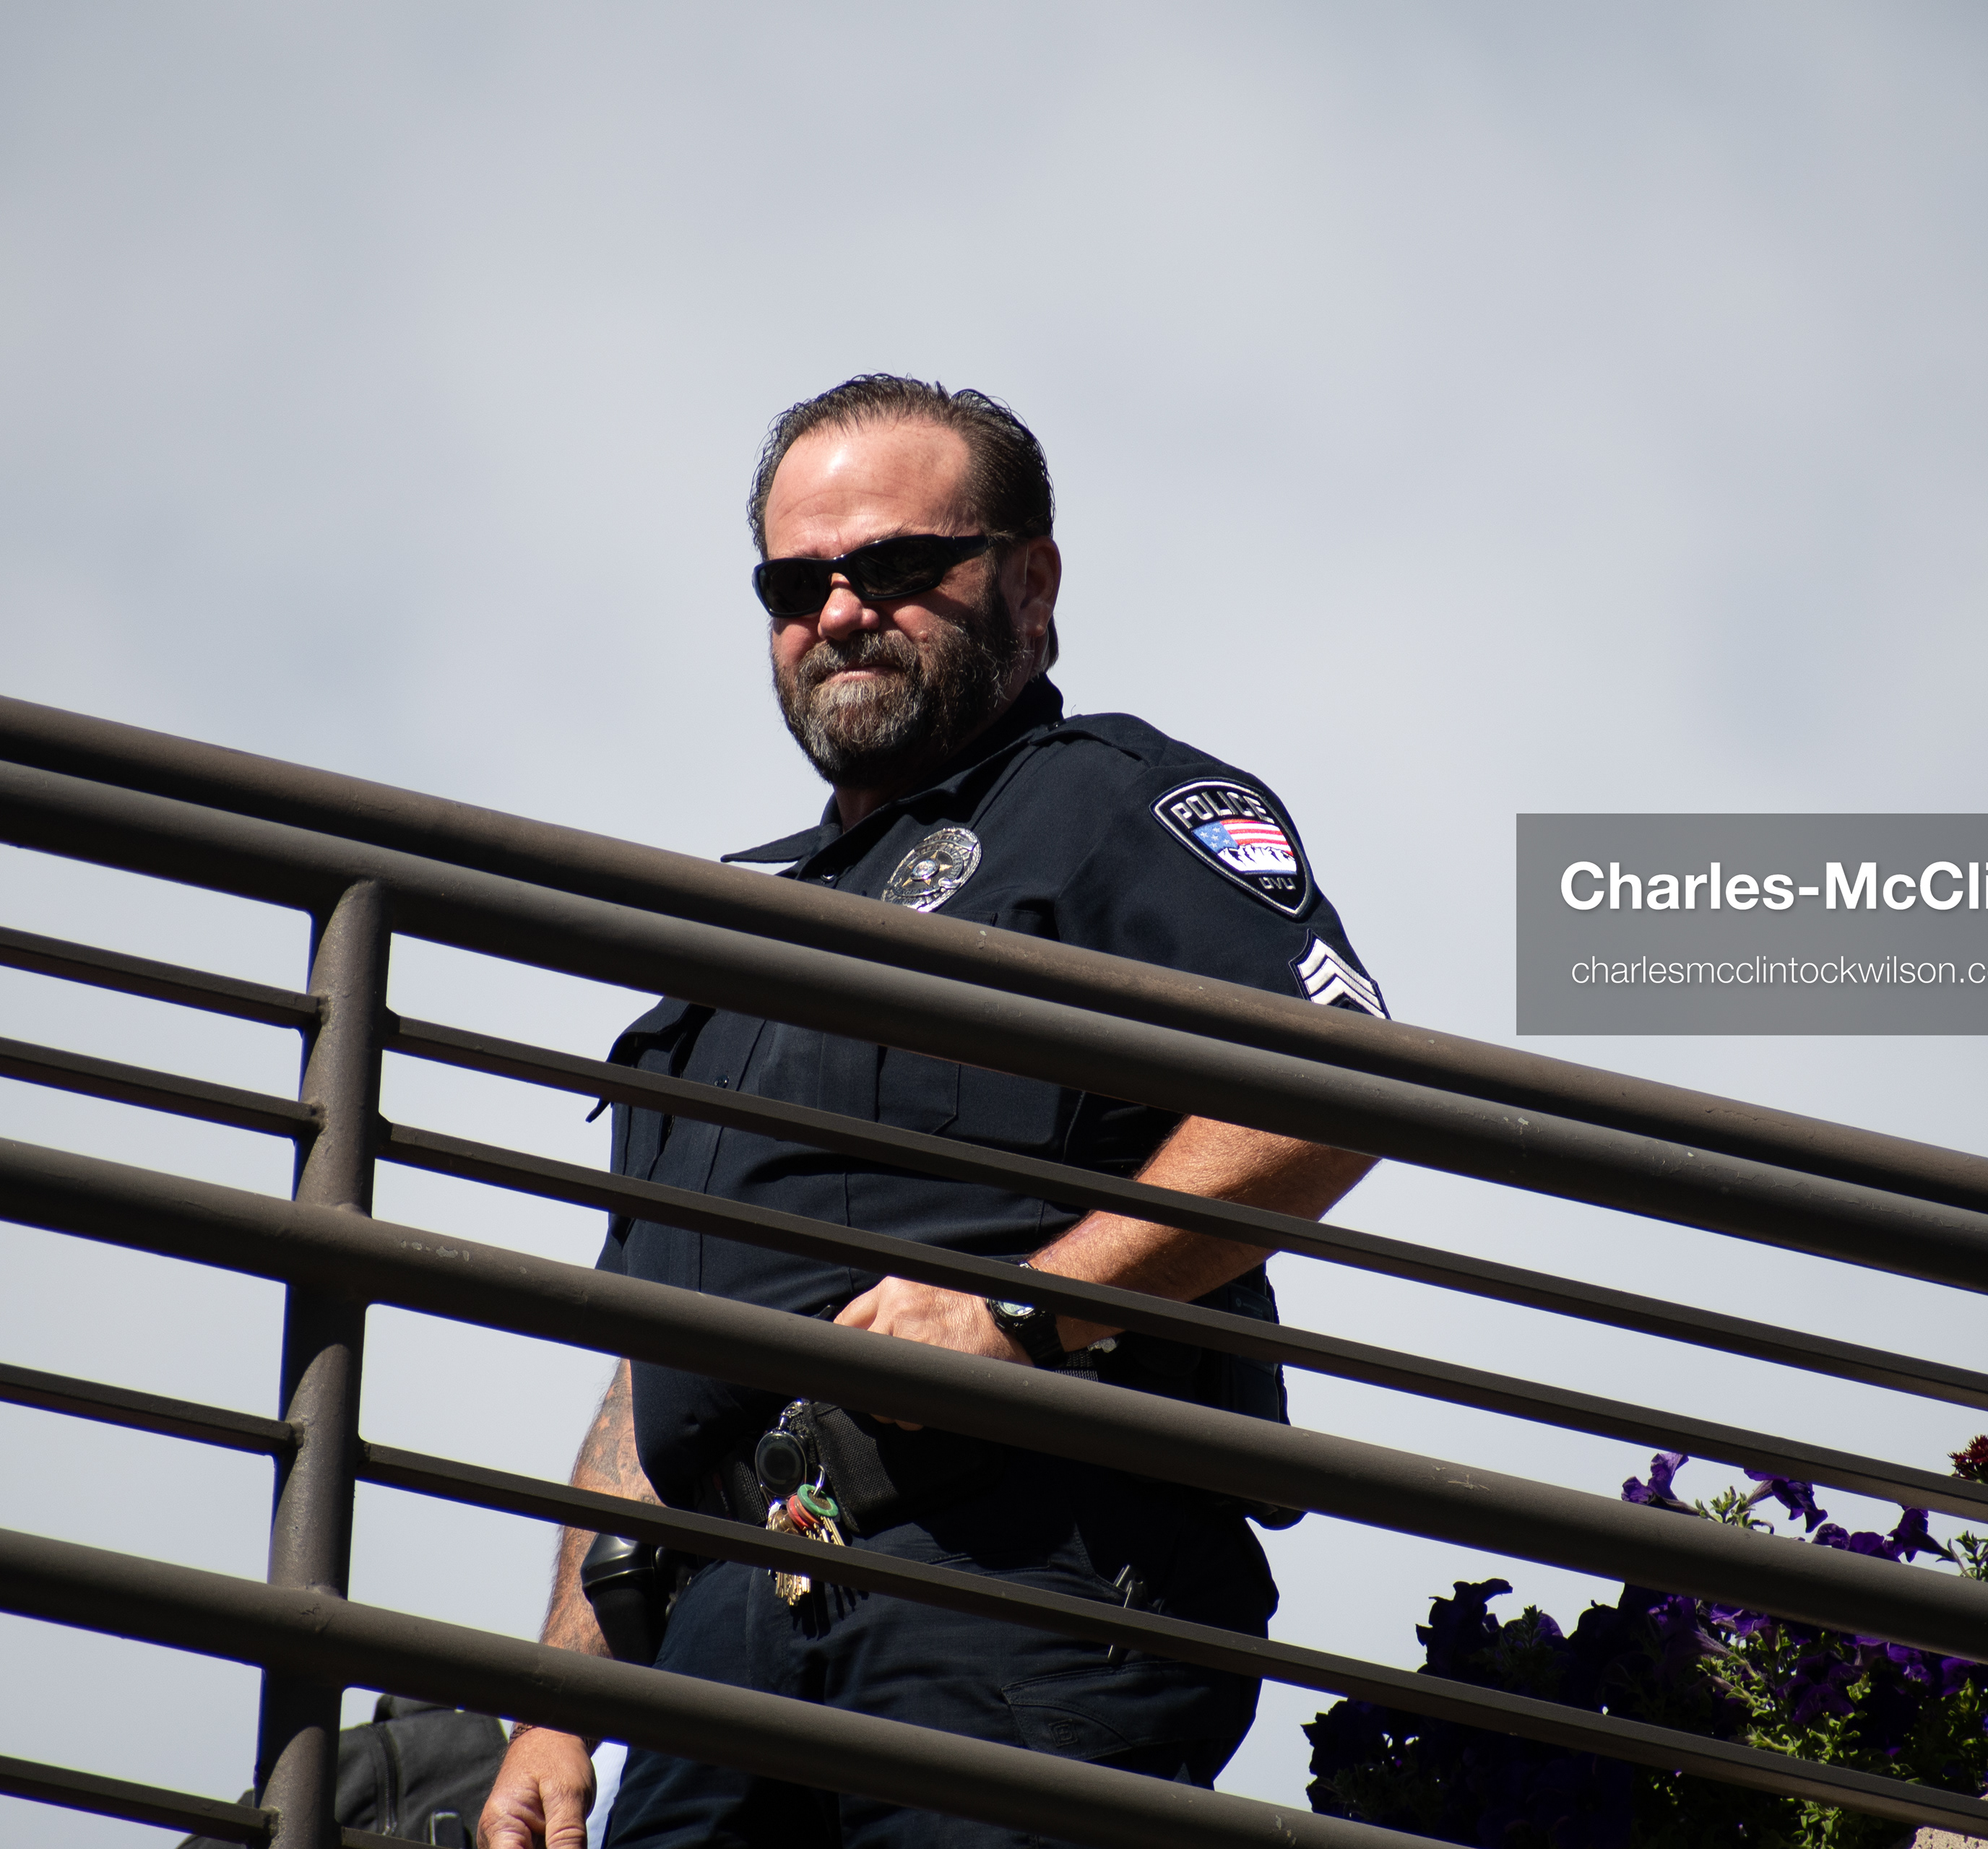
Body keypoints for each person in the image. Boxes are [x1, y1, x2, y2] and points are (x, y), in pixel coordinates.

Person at [480, 376, 1384, 1849]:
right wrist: (554, 1700)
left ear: (1030, 583)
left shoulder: (1106, 805)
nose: (840, 611)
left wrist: (1025, 1311)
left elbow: (1337, 1079)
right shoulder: (723, 958)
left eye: (898, 566)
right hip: (718, 1641)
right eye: (797, 581)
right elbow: (647, 1378)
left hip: (1018, 1585)